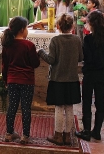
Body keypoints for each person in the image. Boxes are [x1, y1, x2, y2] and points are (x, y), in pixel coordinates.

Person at [38, 13, 83, 145]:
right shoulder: (77, 40)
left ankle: (58, 135)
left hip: (58, 78)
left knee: (59, 107)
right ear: (72, 26)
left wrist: (40, 52)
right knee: (69, 107)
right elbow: (80, 58)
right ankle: (67, 136)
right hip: (72, 78)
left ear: (58, 26)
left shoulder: (55, 40)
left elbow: (51, 60)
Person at [75, 11, 104, 141]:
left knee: (87, 101)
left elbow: (87, 57)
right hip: (101, 73)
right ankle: (97, 131)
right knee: (99, 101)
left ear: (91, 23)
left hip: (90, 72)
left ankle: (86, 131)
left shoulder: (89, 39)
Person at [2, 16, 40, 144]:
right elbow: (35, 64)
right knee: (26, 108)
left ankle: (9, 133)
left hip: (12, 80)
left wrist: (5, 80)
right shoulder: (29, 45)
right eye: (27, 27)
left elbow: (4, 65)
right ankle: (25, 136)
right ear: (23, 29)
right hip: (27, 81)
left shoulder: (7, 45)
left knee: (12, 107)